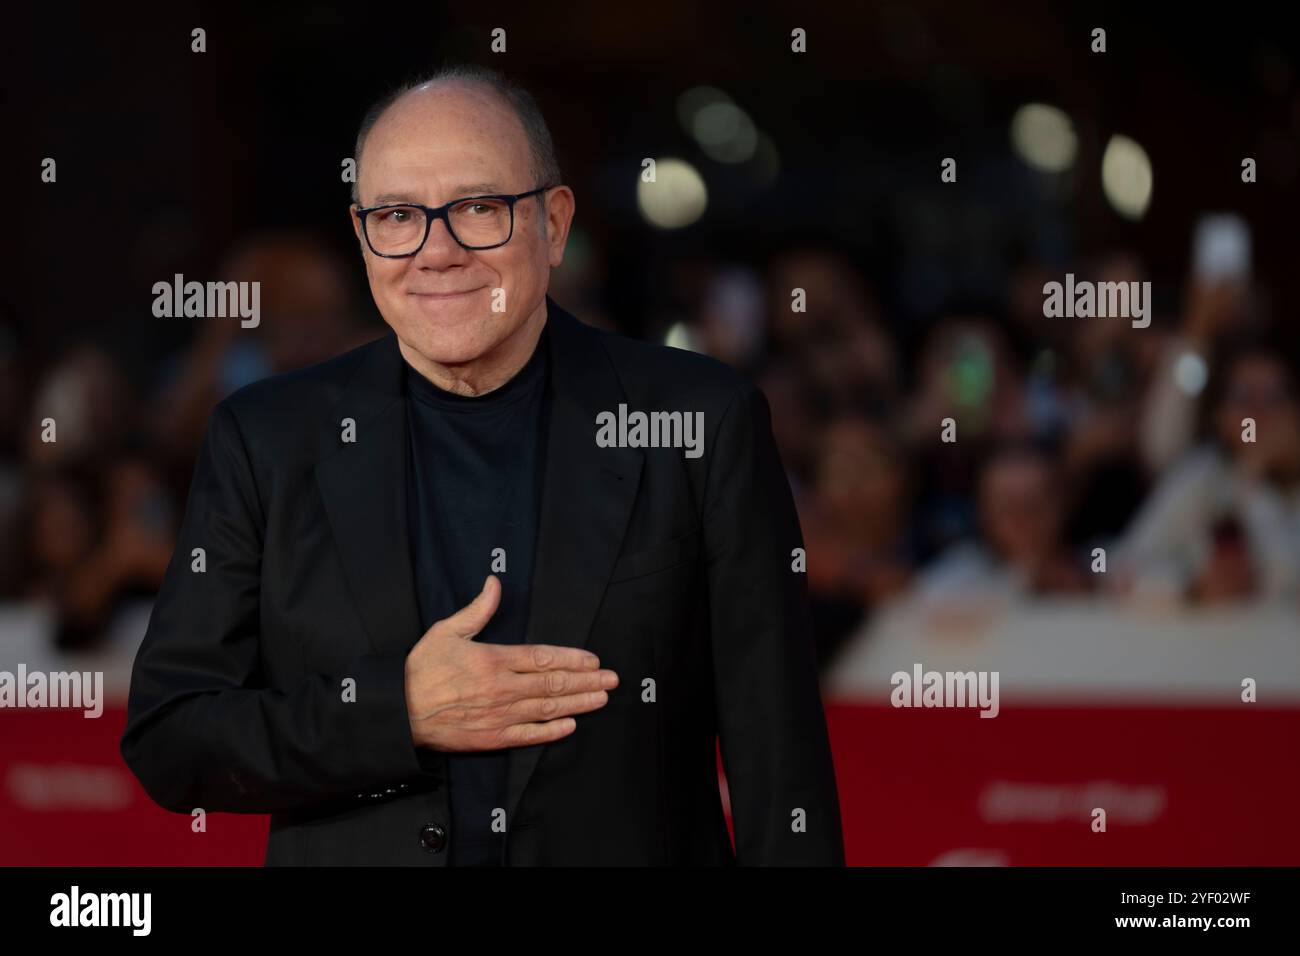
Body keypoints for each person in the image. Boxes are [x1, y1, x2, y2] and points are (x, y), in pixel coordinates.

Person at [120, 64, 844, 867]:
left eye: (477, 208)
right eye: (398, 215)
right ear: (364, 237)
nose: (437, 251)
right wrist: (398, 713)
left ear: (555, 223)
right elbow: (172, 735)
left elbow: (781, 770)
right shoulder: (264, 439)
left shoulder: (700, 421)